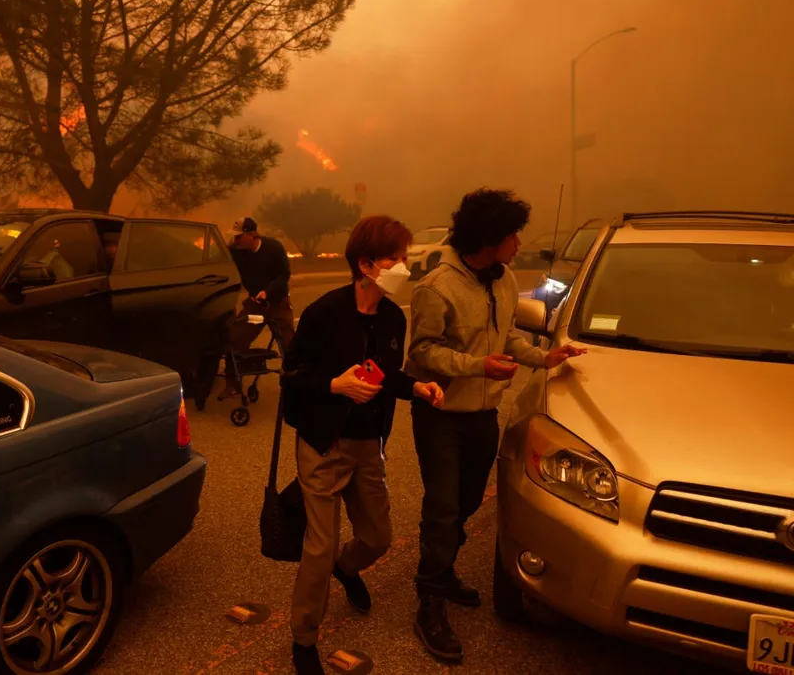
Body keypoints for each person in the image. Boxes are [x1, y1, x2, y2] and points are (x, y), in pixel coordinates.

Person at [407, 189, 586, 662]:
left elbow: (507, 336)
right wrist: (476, 367)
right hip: (441, 415)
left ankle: (441, 572)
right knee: (443, 507)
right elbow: (420, 353)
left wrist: (545, 357)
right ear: (490, 239)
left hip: (483, 415)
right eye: (512, 235)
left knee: (466, 503)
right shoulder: (437, 287)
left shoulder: (504, 279)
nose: (519, 243)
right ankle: (429, 600)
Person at [282, 215, 446, 675]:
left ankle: (349, 568)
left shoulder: (393, 317)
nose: (405, 267)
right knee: (319, 546)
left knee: (378, 537)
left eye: (405, 258)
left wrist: (416, 388)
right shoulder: (324, 313)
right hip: (322, 443)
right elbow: (292, 374)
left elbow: (386, 375)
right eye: (397, 258)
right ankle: (304, 639)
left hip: (367, 445)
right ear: (367, 264)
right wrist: (335, 385)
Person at [220, 217, 296, 400]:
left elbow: (283, 275)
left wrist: (267, 292)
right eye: (234, 237)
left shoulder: (273, 247)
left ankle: (293, 385)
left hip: (277, 302)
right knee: (236, 338)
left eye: (239, 237)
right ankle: (232, 384)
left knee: (290, 345)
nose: (236, 241)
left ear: (252, 234)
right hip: (255, 303)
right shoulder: (236, 252)